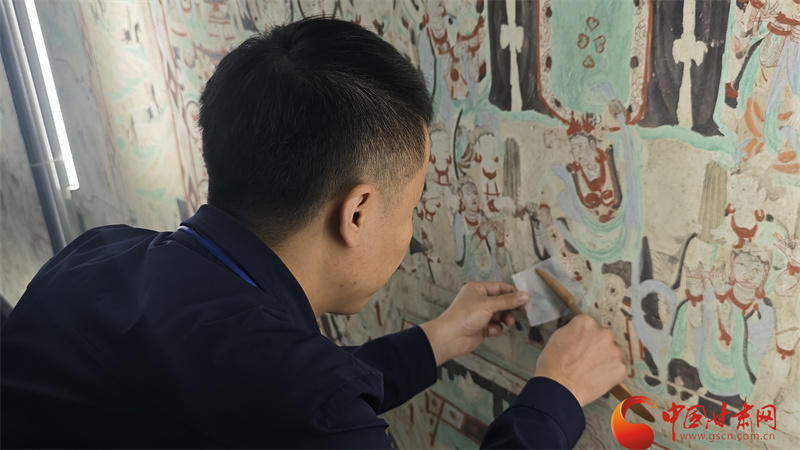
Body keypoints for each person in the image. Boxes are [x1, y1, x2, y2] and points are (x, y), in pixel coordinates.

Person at [1, 18, 626, 449]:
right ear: (357, 214)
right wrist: (556, 396)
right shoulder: (303, 404)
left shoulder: (95, 255)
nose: (410, 230)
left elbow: (275, 388)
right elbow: (299, 400)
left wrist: (435, 339)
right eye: (411, 206)